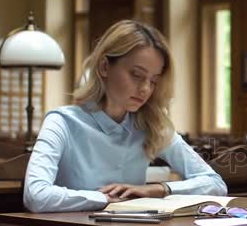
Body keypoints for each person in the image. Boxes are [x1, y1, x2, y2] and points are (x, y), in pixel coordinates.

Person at [24, 20, 227, 213]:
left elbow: (215, 183)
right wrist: (105, 199)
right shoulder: (62, 122)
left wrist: (158, 189)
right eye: (137, 75)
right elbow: (36, 195)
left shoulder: (152, 124)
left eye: (154, 81)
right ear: (104, 67)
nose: (145, 89)